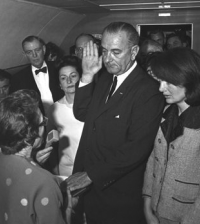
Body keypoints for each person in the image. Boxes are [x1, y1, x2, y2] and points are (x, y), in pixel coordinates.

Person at [66, 22, 165, 224]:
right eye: (104, 51)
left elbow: (136, 149)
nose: (108, 59)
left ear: (134, 51)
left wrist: (91, 175)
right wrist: (87, 75)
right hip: (91, 189)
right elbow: (82, 113)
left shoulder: (148, 91)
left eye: (116, 52)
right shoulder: (104, 78)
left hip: (118, 193)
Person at [143, 48, 200, 224]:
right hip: (156, 212)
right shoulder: (167, 112)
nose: (161, 88)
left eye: (169, 82)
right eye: (160, 81)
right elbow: (153, 161)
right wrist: (147, 206)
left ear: (189, 80)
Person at [0, 89, 71, 224]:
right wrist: (68, 209)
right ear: (29, 136)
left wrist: (34, 162)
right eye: (43, 123)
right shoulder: (45, 182)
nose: (45, 127)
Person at [47, 56, 84, 177]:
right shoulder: (53, 110)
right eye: (63, 78)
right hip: (66, 170)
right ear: (59, 84)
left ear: (81, 78)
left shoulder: (95, 105)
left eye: (73, 76)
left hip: (91, 168)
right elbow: (51, 144)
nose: (69, 81)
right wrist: (55, 171)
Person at [11, 36, 64, 114]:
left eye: (37, 50)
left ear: (44, 49)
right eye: (29, 52)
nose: (34, 55)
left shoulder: (59, 68)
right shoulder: (18, 78)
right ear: (25, 54)